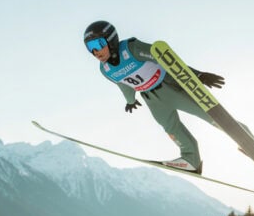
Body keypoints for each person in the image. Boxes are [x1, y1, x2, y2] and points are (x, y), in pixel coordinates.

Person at [84, 20, 234, 173]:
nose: (95, 51)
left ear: (111, 39)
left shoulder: (131, 49)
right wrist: (130, 101)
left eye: (98, 44)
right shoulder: (105, 69)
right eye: (90, 47)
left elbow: (166, 59)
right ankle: (191, 160)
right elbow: (123, 85)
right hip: (151, 99)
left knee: (207, 113)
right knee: (171, 128)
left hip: (169, 86)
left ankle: (244, 138)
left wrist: (198, 75)